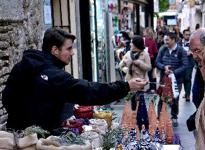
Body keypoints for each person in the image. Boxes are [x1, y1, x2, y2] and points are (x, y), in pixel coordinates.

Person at [2, 27, 147, 131]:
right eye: (69, 49)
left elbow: (7, 98)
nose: (72, 53)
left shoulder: (24, 65)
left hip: (17, 134)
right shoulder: (54, 75)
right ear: (55, 50)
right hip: (38, 142)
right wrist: (126, 86)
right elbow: (89, 91)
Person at [155, 31, 188, 127]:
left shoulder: (181, 51)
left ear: (173, 40)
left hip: (176, 80)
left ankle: (174, 116)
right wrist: (164, 67)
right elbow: (157, 62)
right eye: (164, 40)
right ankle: (159, 117)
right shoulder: (162, 49)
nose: (165, 42)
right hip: (163, 79)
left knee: (175, 98)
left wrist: (174, 72)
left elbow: (185, 65)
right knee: (162, 98)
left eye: (167, 40)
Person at [178, 29, 195, 101]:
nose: (188, 36)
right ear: (183, 35)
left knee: (187, 79)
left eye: (189, 34)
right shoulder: (178, 42)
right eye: (186, 34)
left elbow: (196, 52)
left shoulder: (193, 43)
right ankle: (179, 94)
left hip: (189, 63)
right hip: (180, 64)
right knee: (181, 79)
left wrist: (192, 53)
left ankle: (188, 94)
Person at [143, 27, 158, 92]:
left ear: (147, 33)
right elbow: (156, 51)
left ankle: (151, 87)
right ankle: (153, 87)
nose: (143, 33)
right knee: (152, 74)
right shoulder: (153, 41)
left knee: (149, 74)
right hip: (152, 59)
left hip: (146, 59)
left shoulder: (144, 40)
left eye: (144, 32)